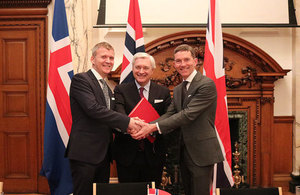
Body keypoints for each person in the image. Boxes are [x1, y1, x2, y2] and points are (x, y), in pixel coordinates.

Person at [131, 44, 224, 195]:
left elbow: (187, 114)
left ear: (195, 61)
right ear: (174, 64)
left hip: (201, 152)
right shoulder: (180, 88)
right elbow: (171, 113)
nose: (183, 64)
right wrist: (147, 126)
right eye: (178, 61)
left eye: (186, 60)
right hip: (184, 150)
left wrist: (152, 128)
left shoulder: (206, 84)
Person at [65, 42, 142, 195]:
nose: (108, 61)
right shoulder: (81, 80)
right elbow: (93, 109)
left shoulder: (107, 87)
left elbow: (110, 119)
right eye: (104, 57)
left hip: (104, 155)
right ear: (93, 59)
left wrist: (130, 126)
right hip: (85, 154)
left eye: (111, 58)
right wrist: (128, 122)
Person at [113, 52, 171, 185]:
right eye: (137, 67)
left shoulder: (163, 92)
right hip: (126, 155)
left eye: (145, 68)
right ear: (132, 68)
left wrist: (149, 129)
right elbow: (119, 112)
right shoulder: (121, 90)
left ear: (152, 70)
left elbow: (168, 117)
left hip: (154, 155)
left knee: (151, 192)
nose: (141, 71)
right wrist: (131, 127)